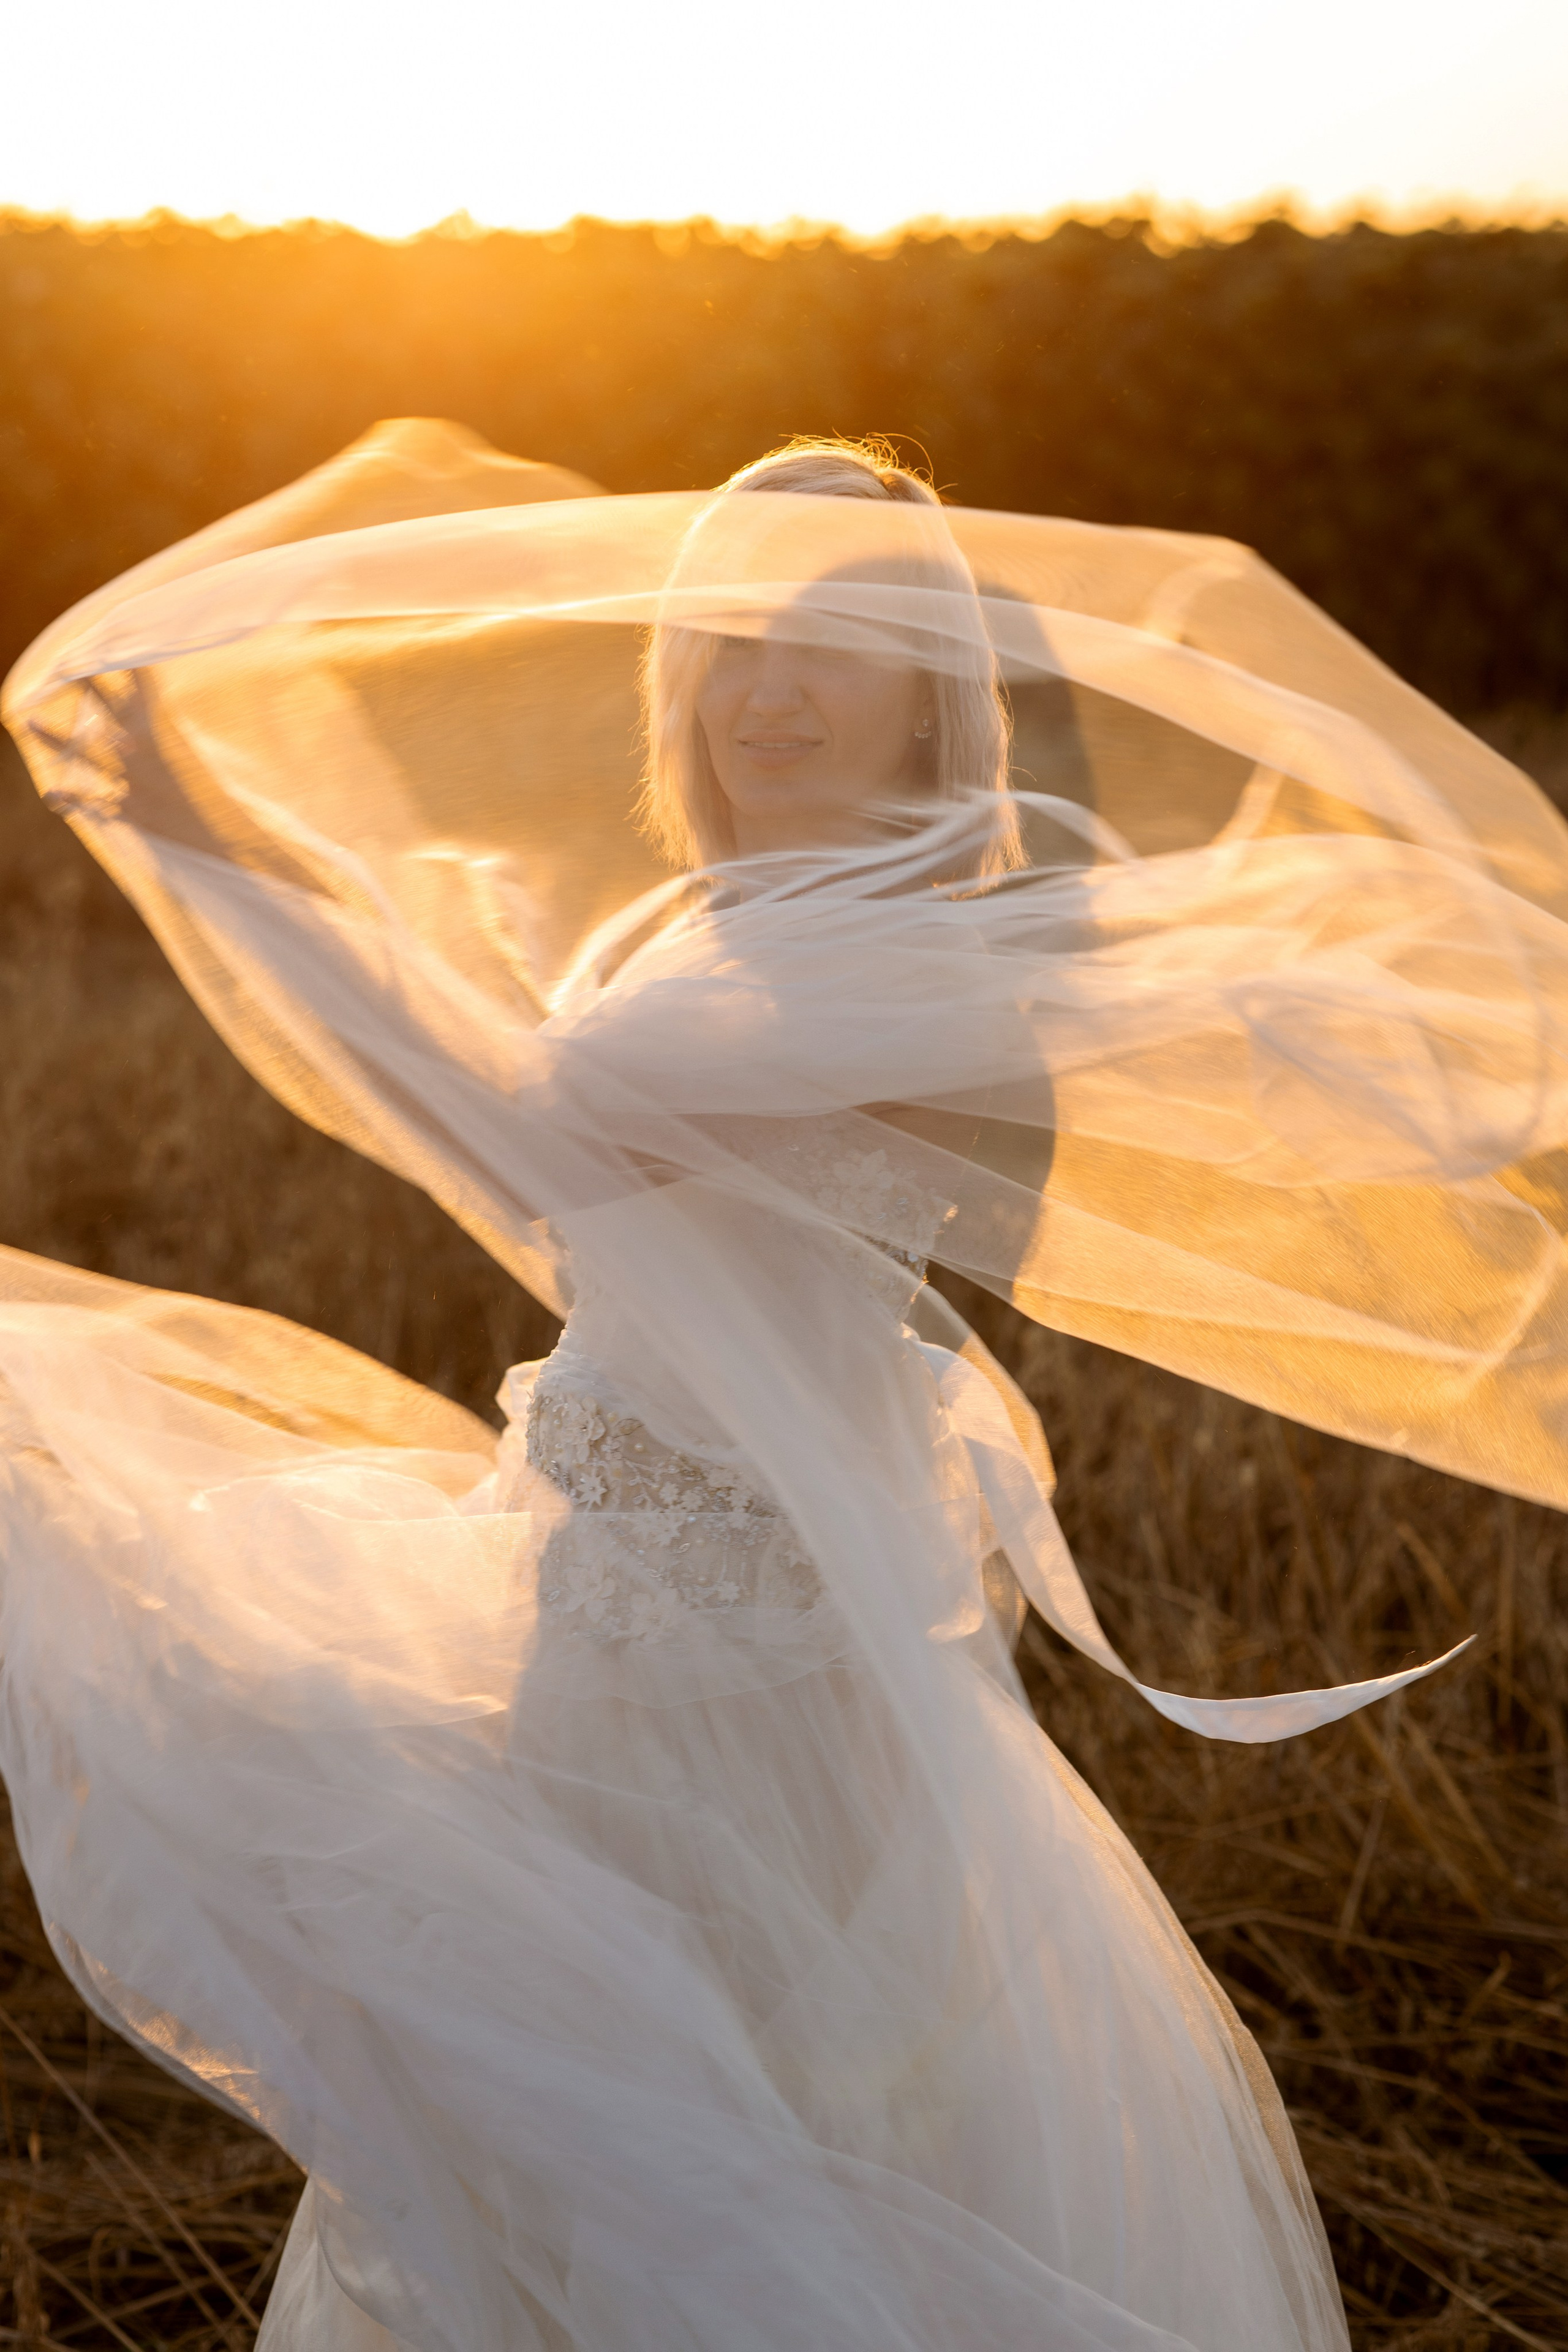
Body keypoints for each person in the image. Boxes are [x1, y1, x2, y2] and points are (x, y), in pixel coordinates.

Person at [2, 423, 1564, 2352]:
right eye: (731, 637)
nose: (769, 686)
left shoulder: (921, 957)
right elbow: (608, 1203)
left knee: (707, 2154)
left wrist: (216, 839)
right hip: (625, 1614)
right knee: (602, 2132)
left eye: (833, 639)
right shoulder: (738, 928)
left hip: (752, 1679)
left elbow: (531, 1128)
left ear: (933, 691)